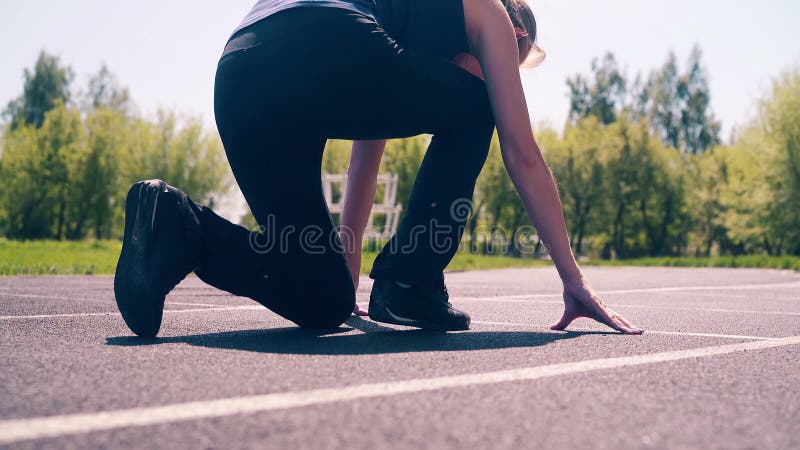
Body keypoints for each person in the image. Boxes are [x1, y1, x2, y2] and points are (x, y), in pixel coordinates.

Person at [113, 0, 643, 338]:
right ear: (516, 41)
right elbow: (522, 152)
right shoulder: (493, 16)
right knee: (481, 109)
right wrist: (573, 278)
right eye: (508, 65)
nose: (499, 72)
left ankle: (178, 225)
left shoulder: (394, 36)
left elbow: (365, 157)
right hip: (319, 34)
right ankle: (412, 280)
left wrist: (346, 282)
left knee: (319, 300)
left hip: (242, 70)